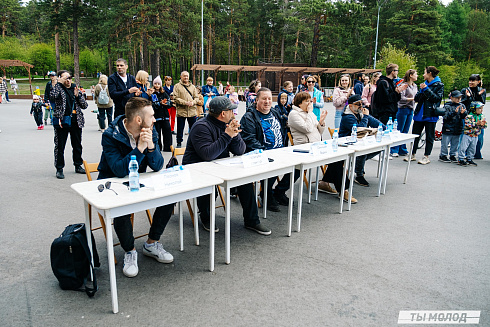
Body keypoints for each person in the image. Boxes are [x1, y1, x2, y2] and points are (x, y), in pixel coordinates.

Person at [97, 97, 174, 278]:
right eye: (152, 116)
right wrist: (139, 149)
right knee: (121, 207)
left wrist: (151, 146)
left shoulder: (150, 131)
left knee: (170, 196)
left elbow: (157, 165)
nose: (155, 119)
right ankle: (130, 251)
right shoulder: (110, 135)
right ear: (138, 120)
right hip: (112, 184)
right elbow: (118, 170)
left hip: (137, 181)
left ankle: (152, 243)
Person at [182, 96, 271, 235]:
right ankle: (206, 217)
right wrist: (227, 135)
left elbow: (240, 150)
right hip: (197, 168)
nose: (234, 113)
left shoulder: (227, 124)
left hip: (220, 166)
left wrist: (234, 135)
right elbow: (207, 155)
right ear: (223, 113)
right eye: (231, 111)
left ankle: (252, 221)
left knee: (245, 181)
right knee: (209, 187)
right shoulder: (201, 126)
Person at [240, 87, 293, 210]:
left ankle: (279, 191)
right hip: (262, 155)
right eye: (264, 99)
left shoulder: (274, 113)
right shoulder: (249, 117)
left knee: (298, 167)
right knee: (271, 168)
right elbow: (249, 139)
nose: (267, 101)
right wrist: (266, 152)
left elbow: (280, 130)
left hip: (279, 151)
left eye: (269, 99)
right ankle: (267, 195)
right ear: (256, 100)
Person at [50, 70, 88, 179]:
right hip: (62, 121)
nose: (68, 80)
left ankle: (78, 165)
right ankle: (59, 168)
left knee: (77, 144)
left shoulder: (75, 88)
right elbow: (52, 96)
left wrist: (78, 96)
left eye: (70, 77)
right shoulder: (58, 88)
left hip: (76, 120)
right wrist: (58, 83)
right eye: (65, 78)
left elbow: (84, 105)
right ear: (60, 79)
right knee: (60, 145)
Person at [342, 94, 384, 187]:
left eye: (362, 103)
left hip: (359, 141)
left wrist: (384, 127)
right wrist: (365, 117)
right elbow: (360, 129)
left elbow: (379, 124)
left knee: (380, 147)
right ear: (350, 106)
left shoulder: (361, 113)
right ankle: (359, 174)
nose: (361, 106)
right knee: (363, 152)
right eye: (358, 104)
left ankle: (358, 164)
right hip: (346, 142)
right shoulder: (347, 116)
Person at [406, 66, 444, 165]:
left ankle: (426, 156)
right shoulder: (424, 84)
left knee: (429, 136)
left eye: (424, 72)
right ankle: (412, 154)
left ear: (430, 73)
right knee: (415, 135)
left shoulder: (439, 85)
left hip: (430, 114)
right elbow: (417, 98)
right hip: (419, 113)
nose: (423, 75)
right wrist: (422, 91)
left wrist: (426, 89)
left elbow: (436, 99)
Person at [391, 69, 418, 157]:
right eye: (415, 74)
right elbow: (401, 97)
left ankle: (402, 149)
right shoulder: (403, 85)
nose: (417, 76)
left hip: (410, 109)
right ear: (410, 75)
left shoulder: (415, 86)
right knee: (399, 129)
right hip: (403, 108)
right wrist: (413, 99)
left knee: (406, 130)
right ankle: (394, 149)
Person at [461, 74, 486, 159]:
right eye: (470, 80)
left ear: (478, 82)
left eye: (473, 81)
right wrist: (468, 97)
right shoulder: (465, 90)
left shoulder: (482, 90)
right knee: (466, 135)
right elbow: (462, 102)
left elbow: (482, 103)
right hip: (468, 115)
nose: (470, 82)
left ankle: (477, 153)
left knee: (479, 135)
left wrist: (479, 95)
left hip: (478, 116)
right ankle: (464, 153)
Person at [173, 71, 199, 148]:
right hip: (182, 111)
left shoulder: (193, 87)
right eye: (184, 76)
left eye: (187, 76)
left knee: (193, 128)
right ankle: (179, 142)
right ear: (181, 77)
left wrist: (193, 102)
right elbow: (175, 98)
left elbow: (196, 98)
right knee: (180, 128)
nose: (186, 77)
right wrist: (185, 103)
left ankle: (194, 142)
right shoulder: (177, 86)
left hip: (191, 111)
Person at [439, 90, 466, 163]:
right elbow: (446, 117)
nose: (458, 99)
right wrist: (454, 113)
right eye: (457, 97)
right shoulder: (447, 106)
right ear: (452, 98)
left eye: (460, 97)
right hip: (448, 127)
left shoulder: (462, 105)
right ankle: (443, 155)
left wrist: (463, 113)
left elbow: (464, 116)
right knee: (445, 142)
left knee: (455, 142)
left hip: (458, 127)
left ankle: (452, 155)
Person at [458, 101, 486, 166]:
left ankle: (469, 158)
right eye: (479, 108)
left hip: (475, 135)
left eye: (482, 108)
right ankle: (461, 159)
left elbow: (485, 125)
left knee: (472, 148)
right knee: (463, 147)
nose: (481, 110)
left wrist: (482, 125)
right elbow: (468, 124)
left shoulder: (482, 116)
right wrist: (477, 124)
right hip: (467, 134)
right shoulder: (469, 116)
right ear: (473, 109)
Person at [150, 76, 172, 152]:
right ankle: (158, 147)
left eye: (158, 84)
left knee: (167, 132)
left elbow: (170, 103)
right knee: (157, 133)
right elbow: (154, 105)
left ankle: (168, 147)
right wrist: (160, 103)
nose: (157, 85)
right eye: (155, 84)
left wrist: (166, 103)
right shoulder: (153, 94)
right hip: (157, 116)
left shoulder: (164, 93)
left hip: (165, 116)